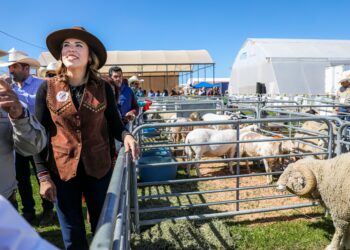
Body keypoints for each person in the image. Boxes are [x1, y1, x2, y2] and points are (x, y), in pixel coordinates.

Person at [34, 26, 139, 250]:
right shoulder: (47, 88)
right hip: (61, 171)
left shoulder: (104, 87)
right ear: (61, 54)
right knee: (72, 233)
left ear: (89, 55)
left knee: (103, 227)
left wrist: (126, 134)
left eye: (78, 45)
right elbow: (38, 136)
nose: (71, 49)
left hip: (99, 168)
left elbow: (114, 122)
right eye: (66, 45)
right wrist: (43, 175)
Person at [0, 48, 55, 226]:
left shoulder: (41, 85)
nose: (11, 70)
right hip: (16, 140)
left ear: (26, 68)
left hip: (39, 138)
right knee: (22, 178)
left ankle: (48, 210)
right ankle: (29, 211)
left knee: (43, 175)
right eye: (10, 67)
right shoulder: (10, 88)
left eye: (14, 66)